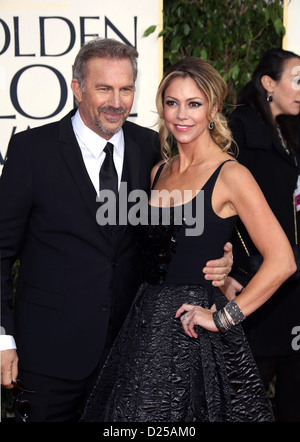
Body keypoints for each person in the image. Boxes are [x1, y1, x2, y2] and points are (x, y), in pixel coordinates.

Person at [0, 38, 233, 422]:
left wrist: (223, 259)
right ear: (78, 88)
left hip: (131, 351)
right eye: (104, 88)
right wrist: (4, 338)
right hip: (48, 352)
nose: (116, 101)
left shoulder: (153, 149)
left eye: (126, 89)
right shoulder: (32, 151)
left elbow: (191, 223)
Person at [80, 56, 296, 423]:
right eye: (172, 102)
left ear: (212, 108)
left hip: (194, 331)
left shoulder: (231, 175)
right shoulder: (158, 170)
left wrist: (226, 317)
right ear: (161, 106)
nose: (182, 114)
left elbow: (283, 260)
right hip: (144, 327)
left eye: (194, 103)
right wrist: (225, 264)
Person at [228, 48, 300, 422]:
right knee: (248, 404)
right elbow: (222, 208)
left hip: (294, 288)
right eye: (297, 79)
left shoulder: (292, 128)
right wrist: (234, 271)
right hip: (257, 288)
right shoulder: (237, 128)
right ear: (268, 84)